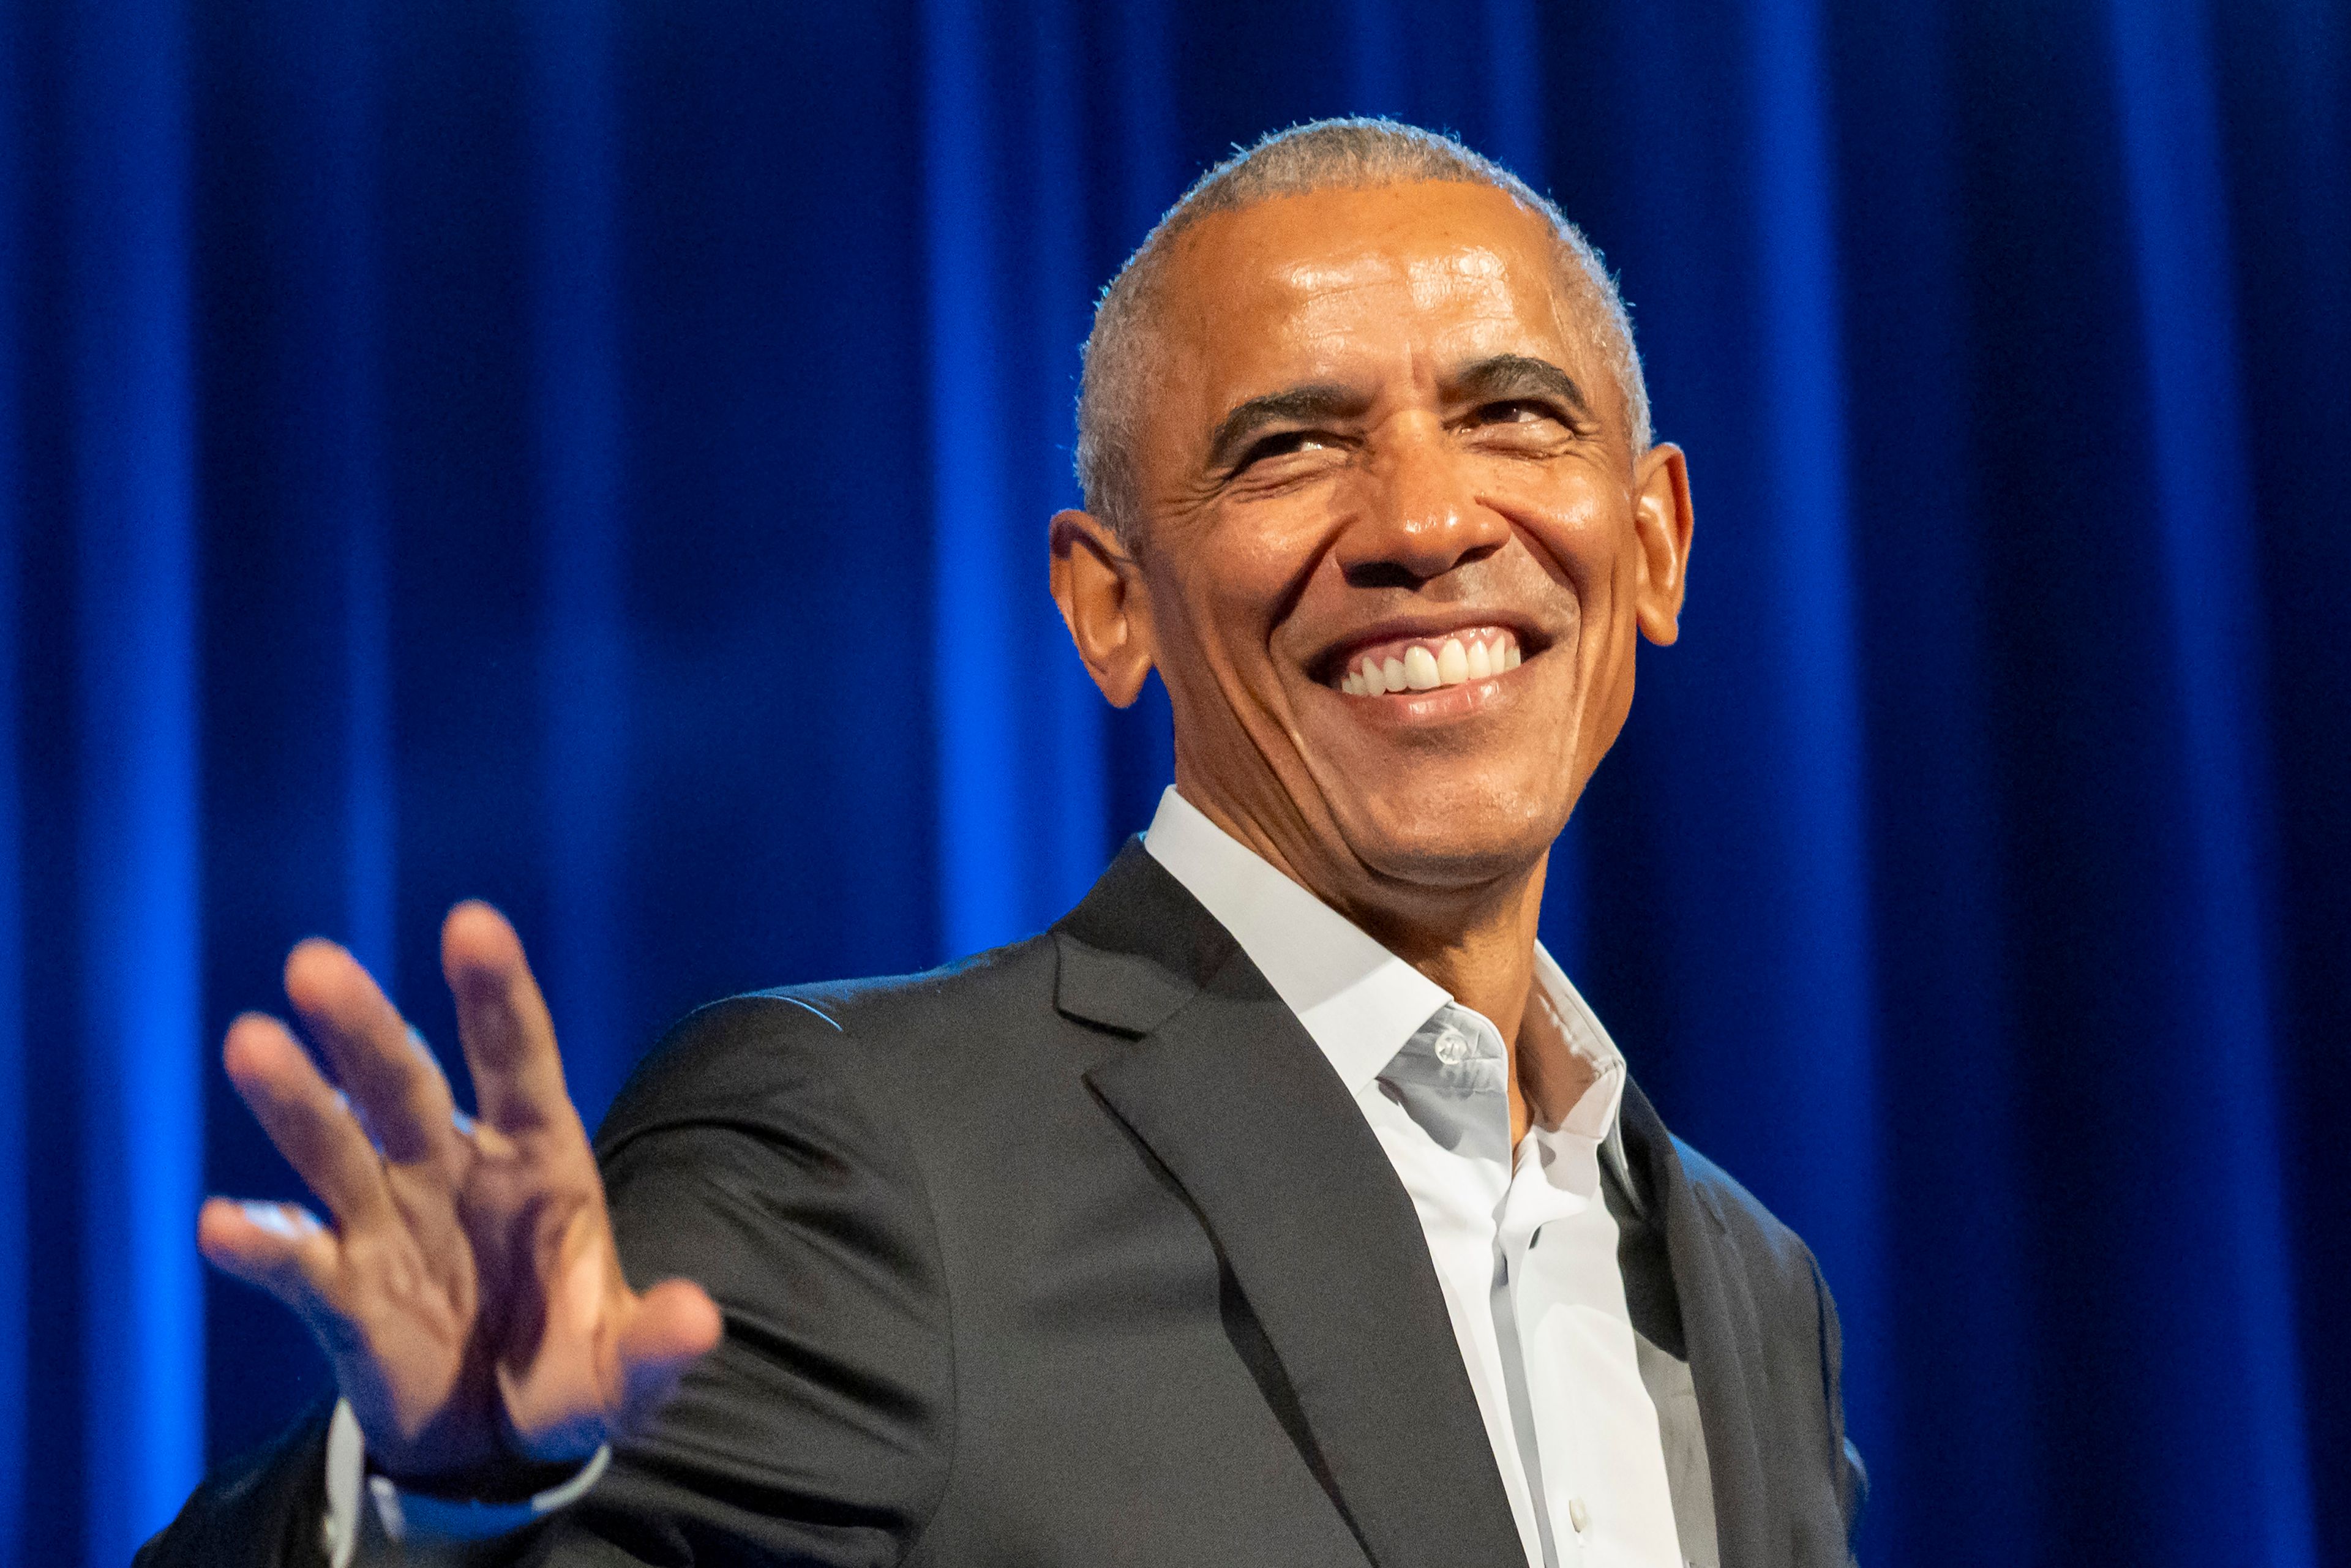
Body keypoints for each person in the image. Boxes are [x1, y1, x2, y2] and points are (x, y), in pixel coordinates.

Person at [144, 119, 1865, 1568]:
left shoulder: (1746, 1278)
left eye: (1512, 417)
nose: (1423, 521)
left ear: (1651, 544)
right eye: (1289, 448)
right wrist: (447, 1494)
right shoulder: (873, 1158)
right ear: (1110, 607)